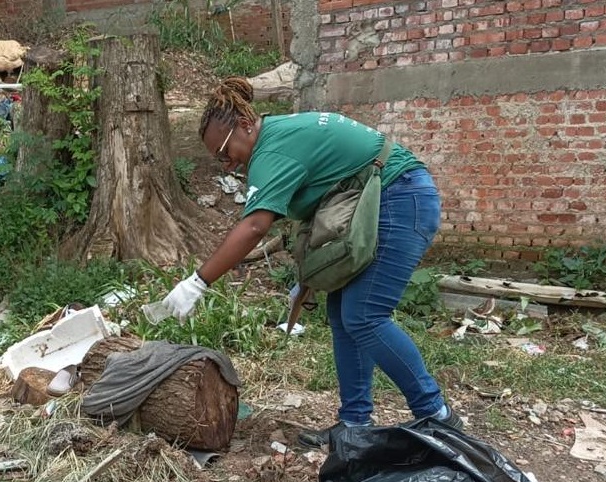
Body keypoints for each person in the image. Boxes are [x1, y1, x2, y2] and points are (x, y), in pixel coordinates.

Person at [159, 77, 461, 444]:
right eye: (218, 159)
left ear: (243, 126)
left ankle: (436, 415)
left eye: (225, 153)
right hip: (388, 198)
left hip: (399, 199)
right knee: (343, 316)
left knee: (364, 316)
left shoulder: (270, 151)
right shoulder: (278, 136)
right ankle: (355, 425)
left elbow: (255, 226)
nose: (226, 165)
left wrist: (198, 281)